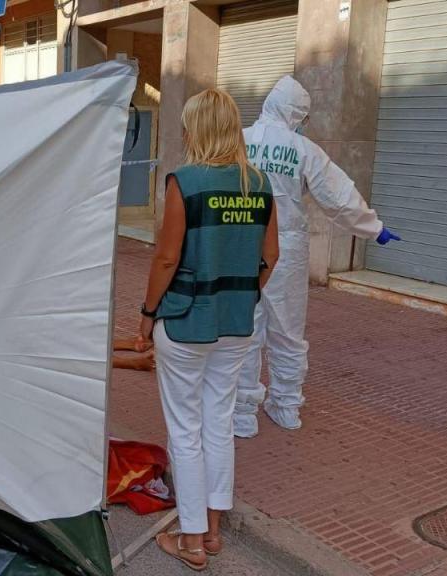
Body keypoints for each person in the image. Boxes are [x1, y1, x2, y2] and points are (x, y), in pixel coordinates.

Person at [136, 88, 279, 571]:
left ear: (198, 129)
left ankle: (192, 540)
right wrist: (241, 290)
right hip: (237, 325)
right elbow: (272, 256)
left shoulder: (187, 182)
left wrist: (147, 313)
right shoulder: (258, 183)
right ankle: (214, 533)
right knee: (218, 425)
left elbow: (167, 257)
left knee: (186, 431)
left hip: (185, 321)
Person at [233, 76, 401, 437]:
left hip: (238, 243)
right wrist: (373, 228)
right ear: (296, 114)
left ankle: (241, 413)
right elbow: (337, 194)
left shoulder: (237, 141)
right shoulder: (302, 149)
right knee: (287, 331)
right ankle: (285, 406)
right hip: (287, 248)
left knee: (242, 328)